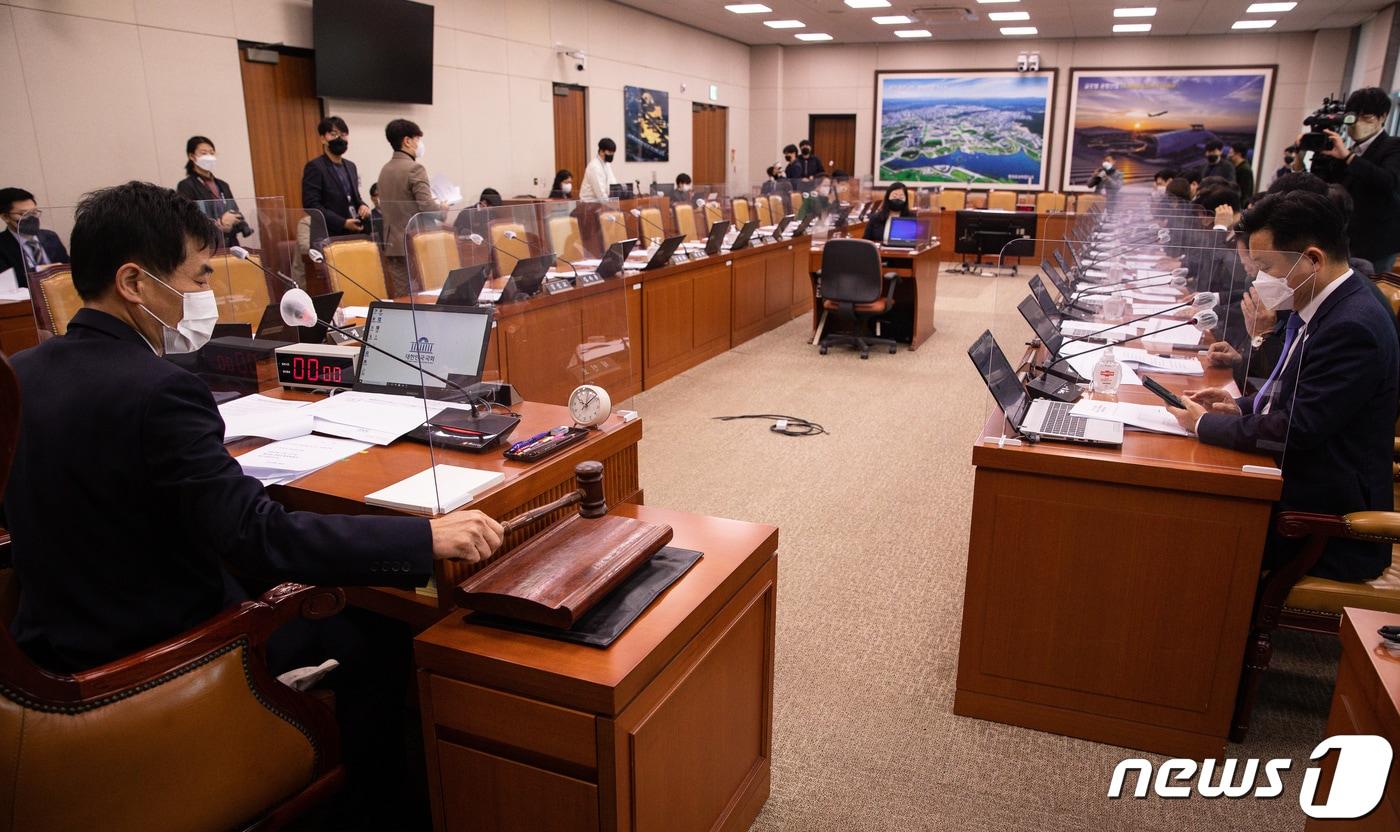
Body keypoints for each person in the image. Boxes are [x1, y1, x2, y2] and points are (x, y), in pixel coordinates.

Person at [2, 181, 503, 830]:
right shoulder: (162, 391)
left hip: (54, 642)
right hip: (163, 658)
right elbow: (258, 539)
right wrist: (421, 540)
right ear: (133, 281)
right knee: (384, 632)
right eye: (196, 275)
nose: (208, 291)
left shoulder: (21, 373)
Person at [1167, 190, 1398, 582]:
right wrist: (1241, 405)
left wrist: (1205, 425)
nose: (1259, 279)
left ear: (1311, 259)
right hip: (1303, 480)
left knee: (1182, 514)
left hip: (1324, 518)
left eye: (1266, 266)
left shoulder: (1352, 325)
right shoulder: (1334, 300)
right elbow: (1297, 390)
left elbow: (1297, 428)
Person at [1301, 86, 1400, 273]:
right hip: (1345, 239)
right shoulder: (1346, 150)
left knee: (1371, 291)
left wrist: (1348, 157)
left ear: (1383, 117)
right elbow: (1326, 185)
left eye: (1367, 118)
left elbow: (1389, 181)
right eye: (1354, 118)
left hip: (1377, 243)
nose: (1358, 124)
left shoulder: (1393, 146)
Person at [377, 118, 445, 296]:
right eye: (417, 139)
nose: (420, 144)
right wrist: (443, 209)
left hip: (392, 244)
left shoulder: (384, 170)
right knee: (426, 296)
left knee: (404, 297)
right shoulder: (415, 168)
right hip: (416, 242)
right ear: (407, 141)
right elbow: (427, 206)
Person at [301, 116, 370, 239]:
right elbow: (311, 204)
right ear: (323, 138)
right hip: (329, 235)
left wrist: (363, 206)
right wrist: (342, 223)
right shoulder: (315, 167)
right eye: (334, 134)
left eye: (343, 135)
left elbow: (355, 198)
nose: (339, 138)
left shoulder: (350, 166)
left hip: (356, 232)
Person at [174, 136, 244, 249]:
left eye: (212, 153)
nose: (209, 157)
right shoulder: (186, 186)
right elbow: (187, 219)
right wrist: (219, 223)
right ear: (192, 156)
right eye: (204, 153)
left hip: (230, 244)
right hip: (206, 245)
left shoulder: (223, 185)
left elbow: (237, 212)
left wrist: (231, 223)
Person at [0, 187, 69, 288]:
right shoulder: (2, 245)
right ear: (5, 217)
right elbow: (8, 282)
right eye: (23, 214)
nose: (31, 218)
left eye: (34, 212)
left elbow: (67, 266)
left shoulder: (50, 236)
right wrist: (40, 271)